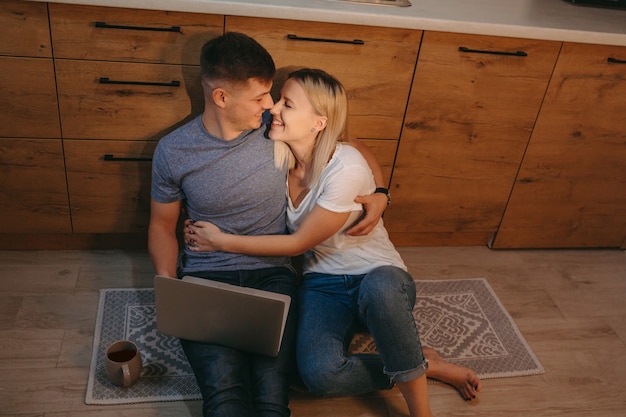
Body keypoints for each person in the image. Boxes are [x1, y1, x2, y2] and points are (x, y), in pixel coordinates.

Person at [184, 68, 483, 416]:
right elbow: (357, 141)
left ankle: (421, 412)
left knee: (382, 292)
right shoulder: (280, 154)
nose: (274, 109)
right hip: (322, 285)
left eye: (287, 104)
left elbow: (298, 242)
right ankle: (422, 363)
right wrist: (382, 192)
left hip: (378, 274)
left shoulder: (345, 167)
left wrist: (222, 242)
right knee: (316, 376)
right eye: (278, 99)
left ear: (318, 123)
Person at [148, 33, 388, 417]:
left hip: (272, 279)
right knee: (225, 399)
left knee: (272, 401)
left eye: (272, 96)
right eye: (260, 98)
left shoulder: (275, 128)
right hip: (207, 280)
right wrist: (169, 284)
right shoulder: (175, 151)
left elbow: (352, 146)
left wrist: (380, 193)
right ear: (221, 98)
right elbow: (162, 224)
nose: (271, 106)